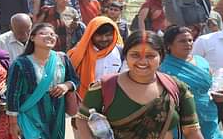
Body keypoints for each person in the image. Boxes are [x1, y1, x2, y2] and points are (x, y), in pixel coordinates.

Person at [76, 30, 204, 139]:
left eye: (150, 56)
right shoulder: (104, 87)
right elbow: (82, 119)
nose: (143, 61)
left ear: (161, 57)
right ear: (125, 56)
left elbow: (192, 131)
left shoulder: (177, 88)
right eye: (135, 55)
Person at [6, 23, 79, 139]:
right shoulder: (20, 63)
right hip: (30, 115)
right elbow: (12, 95)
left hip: (56, 114)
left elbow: (74, 80)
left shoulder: (62, 58)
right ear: (32, 38)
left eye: (52, 34)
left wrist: (66, 86)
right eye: (43, 33)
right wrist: (13, 124)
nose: (49, 36)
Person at [160, 26, 223, 139]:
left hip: (208, 114)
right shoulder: (162, 67)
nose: (188, 43)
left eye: (190, 40)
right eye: (182, 41)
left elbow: (209, 87)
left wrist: (217, 95)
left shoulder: (201, 61)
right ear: (169, 45)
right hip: (181, 118)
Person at [68, 16, 124, 99]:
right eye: (99, 35)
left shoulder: (121, 52)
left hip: (110, 101)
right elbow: (68, 79)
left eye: (108, 35)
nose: (104, 39)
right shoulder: (77, 54)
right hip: (82, 102)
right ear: (91, 35)